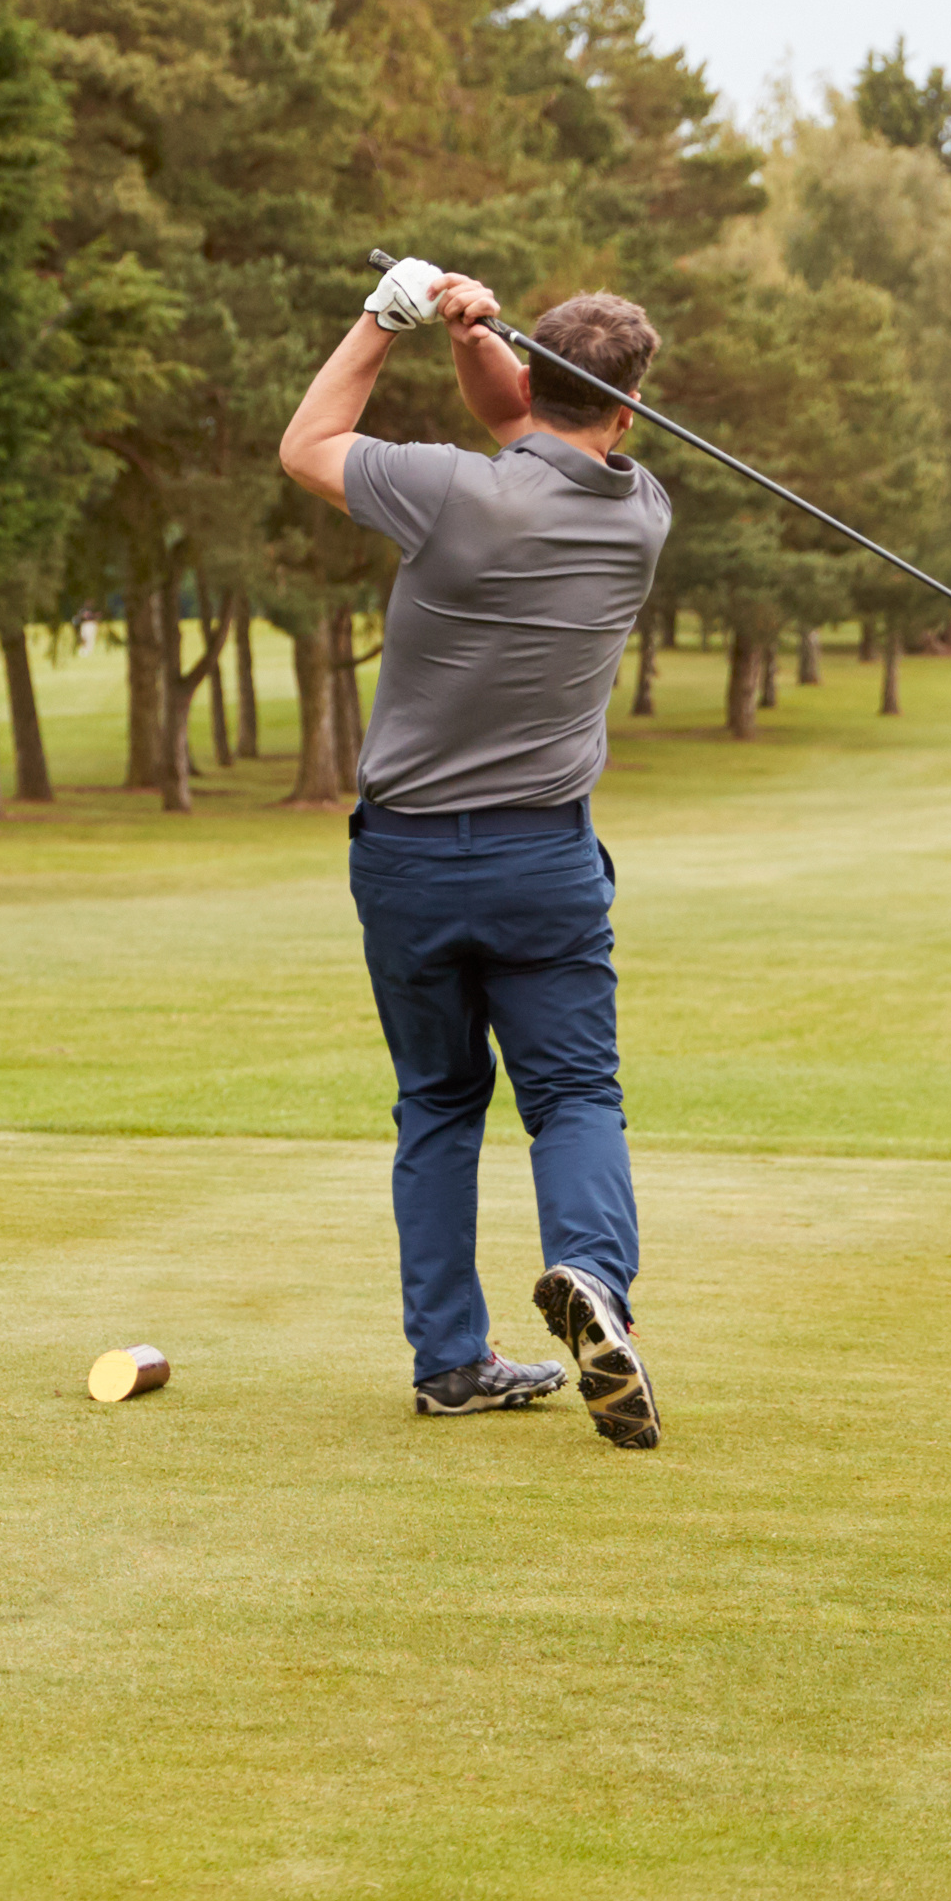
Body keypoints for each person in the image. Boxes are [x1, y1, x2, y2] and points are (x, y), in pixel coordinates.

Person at [276, 258, 672, 1449]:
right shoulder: (639, 513)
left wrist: (384, 320)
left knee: (439, 1105)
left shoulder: (444, 492)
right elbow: (528, 421)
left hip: (402, 862)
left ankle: (448, 1361)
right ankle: (591, 1275)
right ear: (627, 409)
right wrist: (471, 339)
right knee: (571, 1094)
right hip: (541, 865)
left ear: (538, 370)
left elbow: (308, 443)